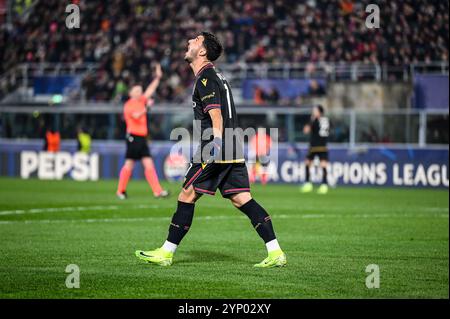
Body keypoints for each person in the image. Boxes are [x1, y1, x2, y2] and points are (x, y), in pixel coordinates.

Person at [135, 32, 286, 268]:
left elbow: (215, 113)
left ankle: (166, 252)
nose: (188, 42)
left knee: (187, 193)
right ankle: (275, 251)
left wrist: (215, 143)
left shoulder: (205, 78)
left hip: (217, 145)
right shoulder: (216, 76)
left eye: (195, 40)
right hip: (233, 144)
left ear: (203, 51)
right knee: (241, 199)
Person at [116, 63, 169, 199]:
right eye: (137, 91)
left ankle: (157, 191)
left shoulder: (141, 101)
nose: (140, 93)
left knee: (148, 164)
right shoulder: (129, 105)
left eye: (140, 91)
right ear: (131, 93)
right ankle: (120, 191)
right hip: (133, 137)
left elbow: (150, 90)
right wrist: (147, 108)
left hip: (142, 138)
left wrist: (157, 77)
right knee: (129, 164)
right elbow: (136, 116)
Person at [300, 105, 330, 194]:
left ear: (319, 112)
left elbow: (305, 131)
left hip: (314, 145)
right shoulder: (326, 120)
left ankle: (308, 184)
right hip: (323, 145)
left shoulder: (314, 120)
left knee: (307, 163)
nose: (313, 112)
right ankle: (324, 185)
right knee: (323, 165)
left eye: (315, 110)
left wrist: (311, 121)